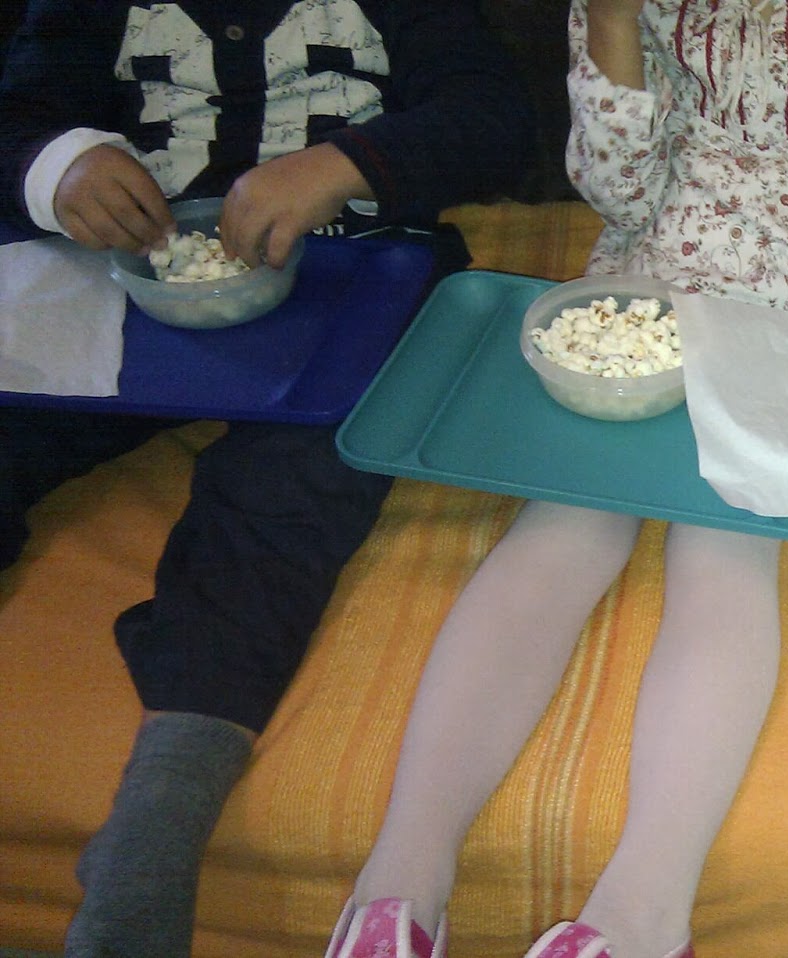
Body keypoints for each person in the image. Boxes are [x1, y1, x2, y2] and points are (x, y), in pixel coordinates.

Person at [322, 0, 788, 954]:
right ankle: (397, 891)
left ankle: (643, 916)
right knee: (561, 531)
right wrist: (615, 28)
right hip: (650, 300)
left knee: (725, 546)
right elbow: (617, 190)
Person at [0, 3, 536, 956]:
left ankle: (150, 840)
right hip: (125, 288)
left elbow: (496, 118)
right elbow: (20, 113)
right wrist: (59, 166)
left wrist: (346, 165)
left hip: (354, 287)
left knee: (287, 502)